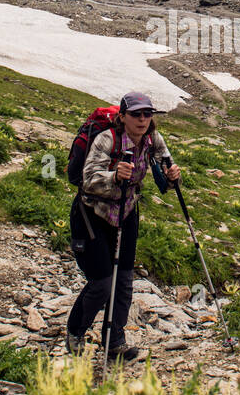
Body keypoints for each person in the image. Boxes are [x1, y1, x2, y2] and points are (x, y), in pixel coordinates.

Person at [66, 91, 181, 361]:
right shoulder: (107, 139)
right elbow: (88, 179)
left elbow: (165, 174)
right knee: (102, 283)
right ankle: (75, 331)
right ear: (122, 117)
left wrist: (172, 177)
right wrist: (114, 176)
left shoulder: (153, 140)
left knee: (124, 281)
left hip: (127, 212)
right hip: (92, 213)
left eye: (147, 114)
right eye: (136, 114)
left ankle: (115, 341)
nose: (142, 119)